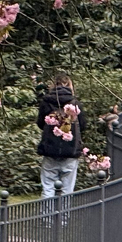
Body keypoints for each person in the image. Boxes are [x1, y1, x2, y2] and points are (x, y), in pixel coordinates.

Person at [35, 70, 84, 220]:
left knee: (48, 185)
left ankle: (47, 219)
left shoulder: (46, 102)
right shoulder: (75, 104)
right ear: (70, 85)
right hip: (70, 151)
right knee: (67, 188)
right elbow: (84, 124)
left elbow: (40, 123)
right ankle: (63, 219)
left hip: (50, 150)